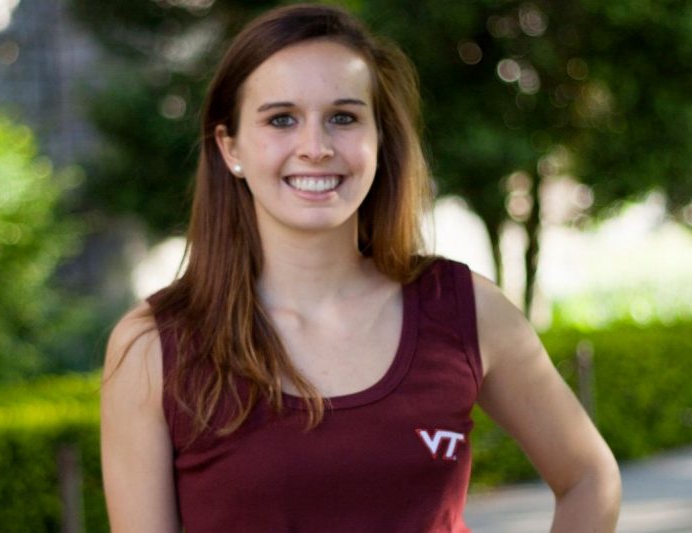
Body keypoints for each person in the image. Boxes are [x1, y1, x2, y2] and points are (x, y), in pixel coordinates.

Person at [100, 4, 621, 532]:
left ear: (379, 139)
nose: (316, 148)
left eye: (343, 118)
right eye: (281, 119)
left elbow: (589, 478)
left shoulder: (466, 310)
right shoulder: (154, 346)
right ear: (230, 148)